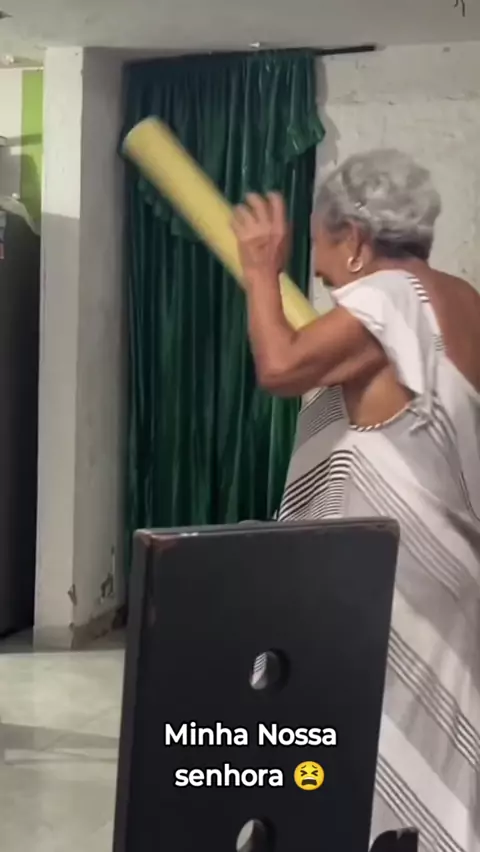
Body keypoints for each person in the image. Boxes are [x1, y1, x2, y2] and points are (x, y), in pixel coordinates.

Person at [232, 149, 480, 852]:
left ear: (356, 238)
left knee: (363, 751)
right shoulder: (462, 299)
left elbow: (281, 366)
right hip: (452, 571)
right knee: (438, 758)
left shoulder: (389, 296)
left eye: (318, 247)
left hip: (390, 578)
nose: (318, 272)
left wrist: (260, 272)